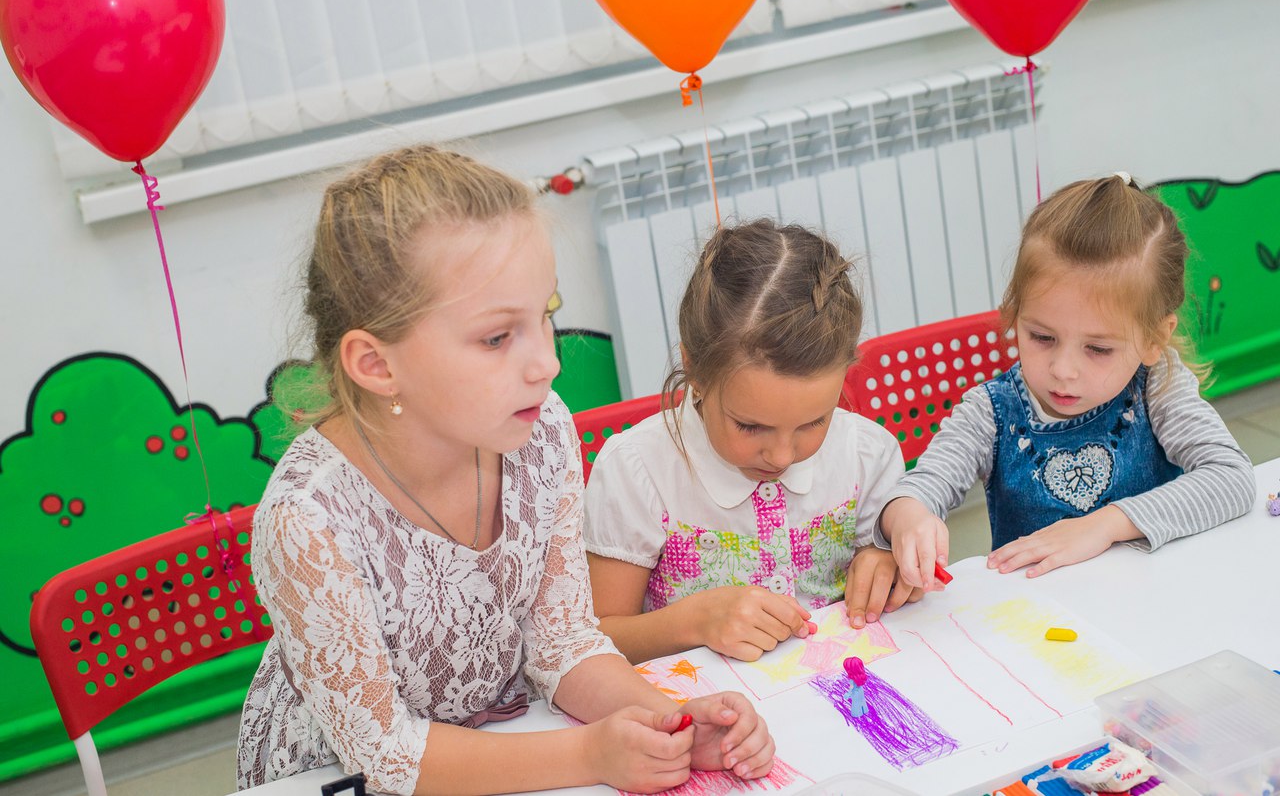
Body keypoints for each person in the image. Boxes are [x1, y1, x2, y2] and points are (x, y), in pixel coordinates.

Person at [235, 146, 774, 795]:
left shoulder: (541, 429)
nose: (546, 363)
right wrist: (589, 756)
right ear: (376, 365)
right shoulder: (308, 522)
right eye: (497, 338)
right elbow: (386, 754)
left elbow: (563, 644)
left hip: (503, 741)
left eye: (544, 317)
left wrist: (671, 725)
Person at [584, 219, 935, 666]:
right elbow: (594, 641)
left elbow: (889, 560)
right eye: (750, 427)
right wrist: (692, 623)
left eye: (814, 422)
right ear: (694, 369)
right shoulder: (636, 471)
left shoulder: (866, 454)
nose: (783, 456)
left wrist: (887, 564)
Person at [884, 173, 1254, 588]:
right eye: (1042, 337)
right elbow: (920, 487)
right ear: (1014, 315)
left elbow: (1233, 479)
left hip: (1155, 597)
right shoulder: (989, 412)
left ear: (1154, 339)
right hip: (1042, 621)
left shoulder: (1158, 385)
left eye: (1097, 349)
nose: (1063, 369)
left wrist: (1105, 525)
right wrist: (909, 515)